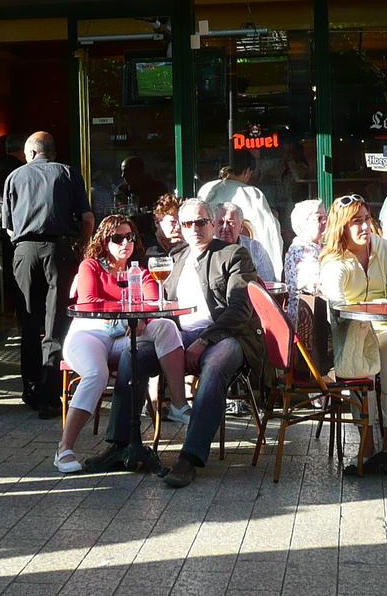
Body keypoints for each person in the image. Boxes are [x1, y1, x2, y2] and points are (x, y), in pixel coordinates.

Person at [93, 198, 262, 488]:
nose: (194, 228)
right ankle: (121, 444)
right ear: (180, 228)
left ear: (211, 223)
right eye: (187, 223)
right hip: (180, 336)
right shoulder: (178, 256)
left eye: (200, 221)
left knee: (215, 367)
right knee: (134, 355)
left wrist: (206, 339)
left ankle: (190, 457)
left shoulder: (233, 254)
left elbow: (240, 309)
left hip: (225, 335)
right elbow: (163, 300)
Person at [57, 216, 189, 473]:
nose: (124, 243)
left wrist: (142, 316)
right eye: (117, 238)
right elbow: (89, 301)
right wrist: (132, 312)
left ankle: (178, 403)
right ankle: (64, 448)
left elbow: (152, 303)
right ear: (105, 242)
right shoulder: (91, 266)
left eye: (129, 237)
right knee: (97, 374)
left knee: (166, 326)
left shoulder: (141, 272)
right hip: (89, 333)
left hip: (121, 337)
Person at [2, 131, 95, 417]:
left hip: (24, 251)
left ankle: (30, 390)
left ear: (30, 153)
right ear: (53, 153)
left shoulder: (14, 177)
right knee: (55, 323)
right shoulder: (68, 174)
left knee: (29, 322)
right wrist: (83, 245)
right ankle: (51, 396)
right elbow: (88, 218)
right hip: (60, 249)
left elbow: (7, 227)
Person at [320, 196, 387, 459]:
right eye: (356, 222)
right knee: (360, 358)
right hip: (351, 331)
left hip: (384, 326)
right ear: (341, 227)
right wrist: (372, 308)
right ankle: (366, 436)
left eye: (367, 219)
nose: (365, 227)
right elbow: (338, 308)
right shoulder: (334, 261)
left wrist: (373, 305)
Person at [200, 150, 285, 275]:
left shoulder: (206, 189)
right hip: (248, 264)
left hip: (210, 264)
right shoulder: (251, 193)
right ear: (247, 171)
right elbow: (269, 232)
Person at [216, 201, 279, 282]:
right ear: (213, 225)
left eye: (230, 222)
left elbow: (268, 283)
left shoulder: (255, 249)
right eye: (220, 223)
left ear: (241, 226)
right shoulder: (207, 248)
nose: (225, 228)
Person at [283, 199, 327, 308]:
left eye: (325, 217)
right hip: (307, 317)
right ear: (303, 224)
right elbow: (315, 286)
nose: (325, 222)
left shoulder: (322, 246)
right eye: (319, 218)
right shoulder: (300, 249)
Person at [147, 192, 184, 259]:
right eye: (173, 221)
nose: (178, 226)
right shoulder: (149, 248)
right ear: (157, 222)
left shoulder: (185, 243)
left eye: (182, 222)